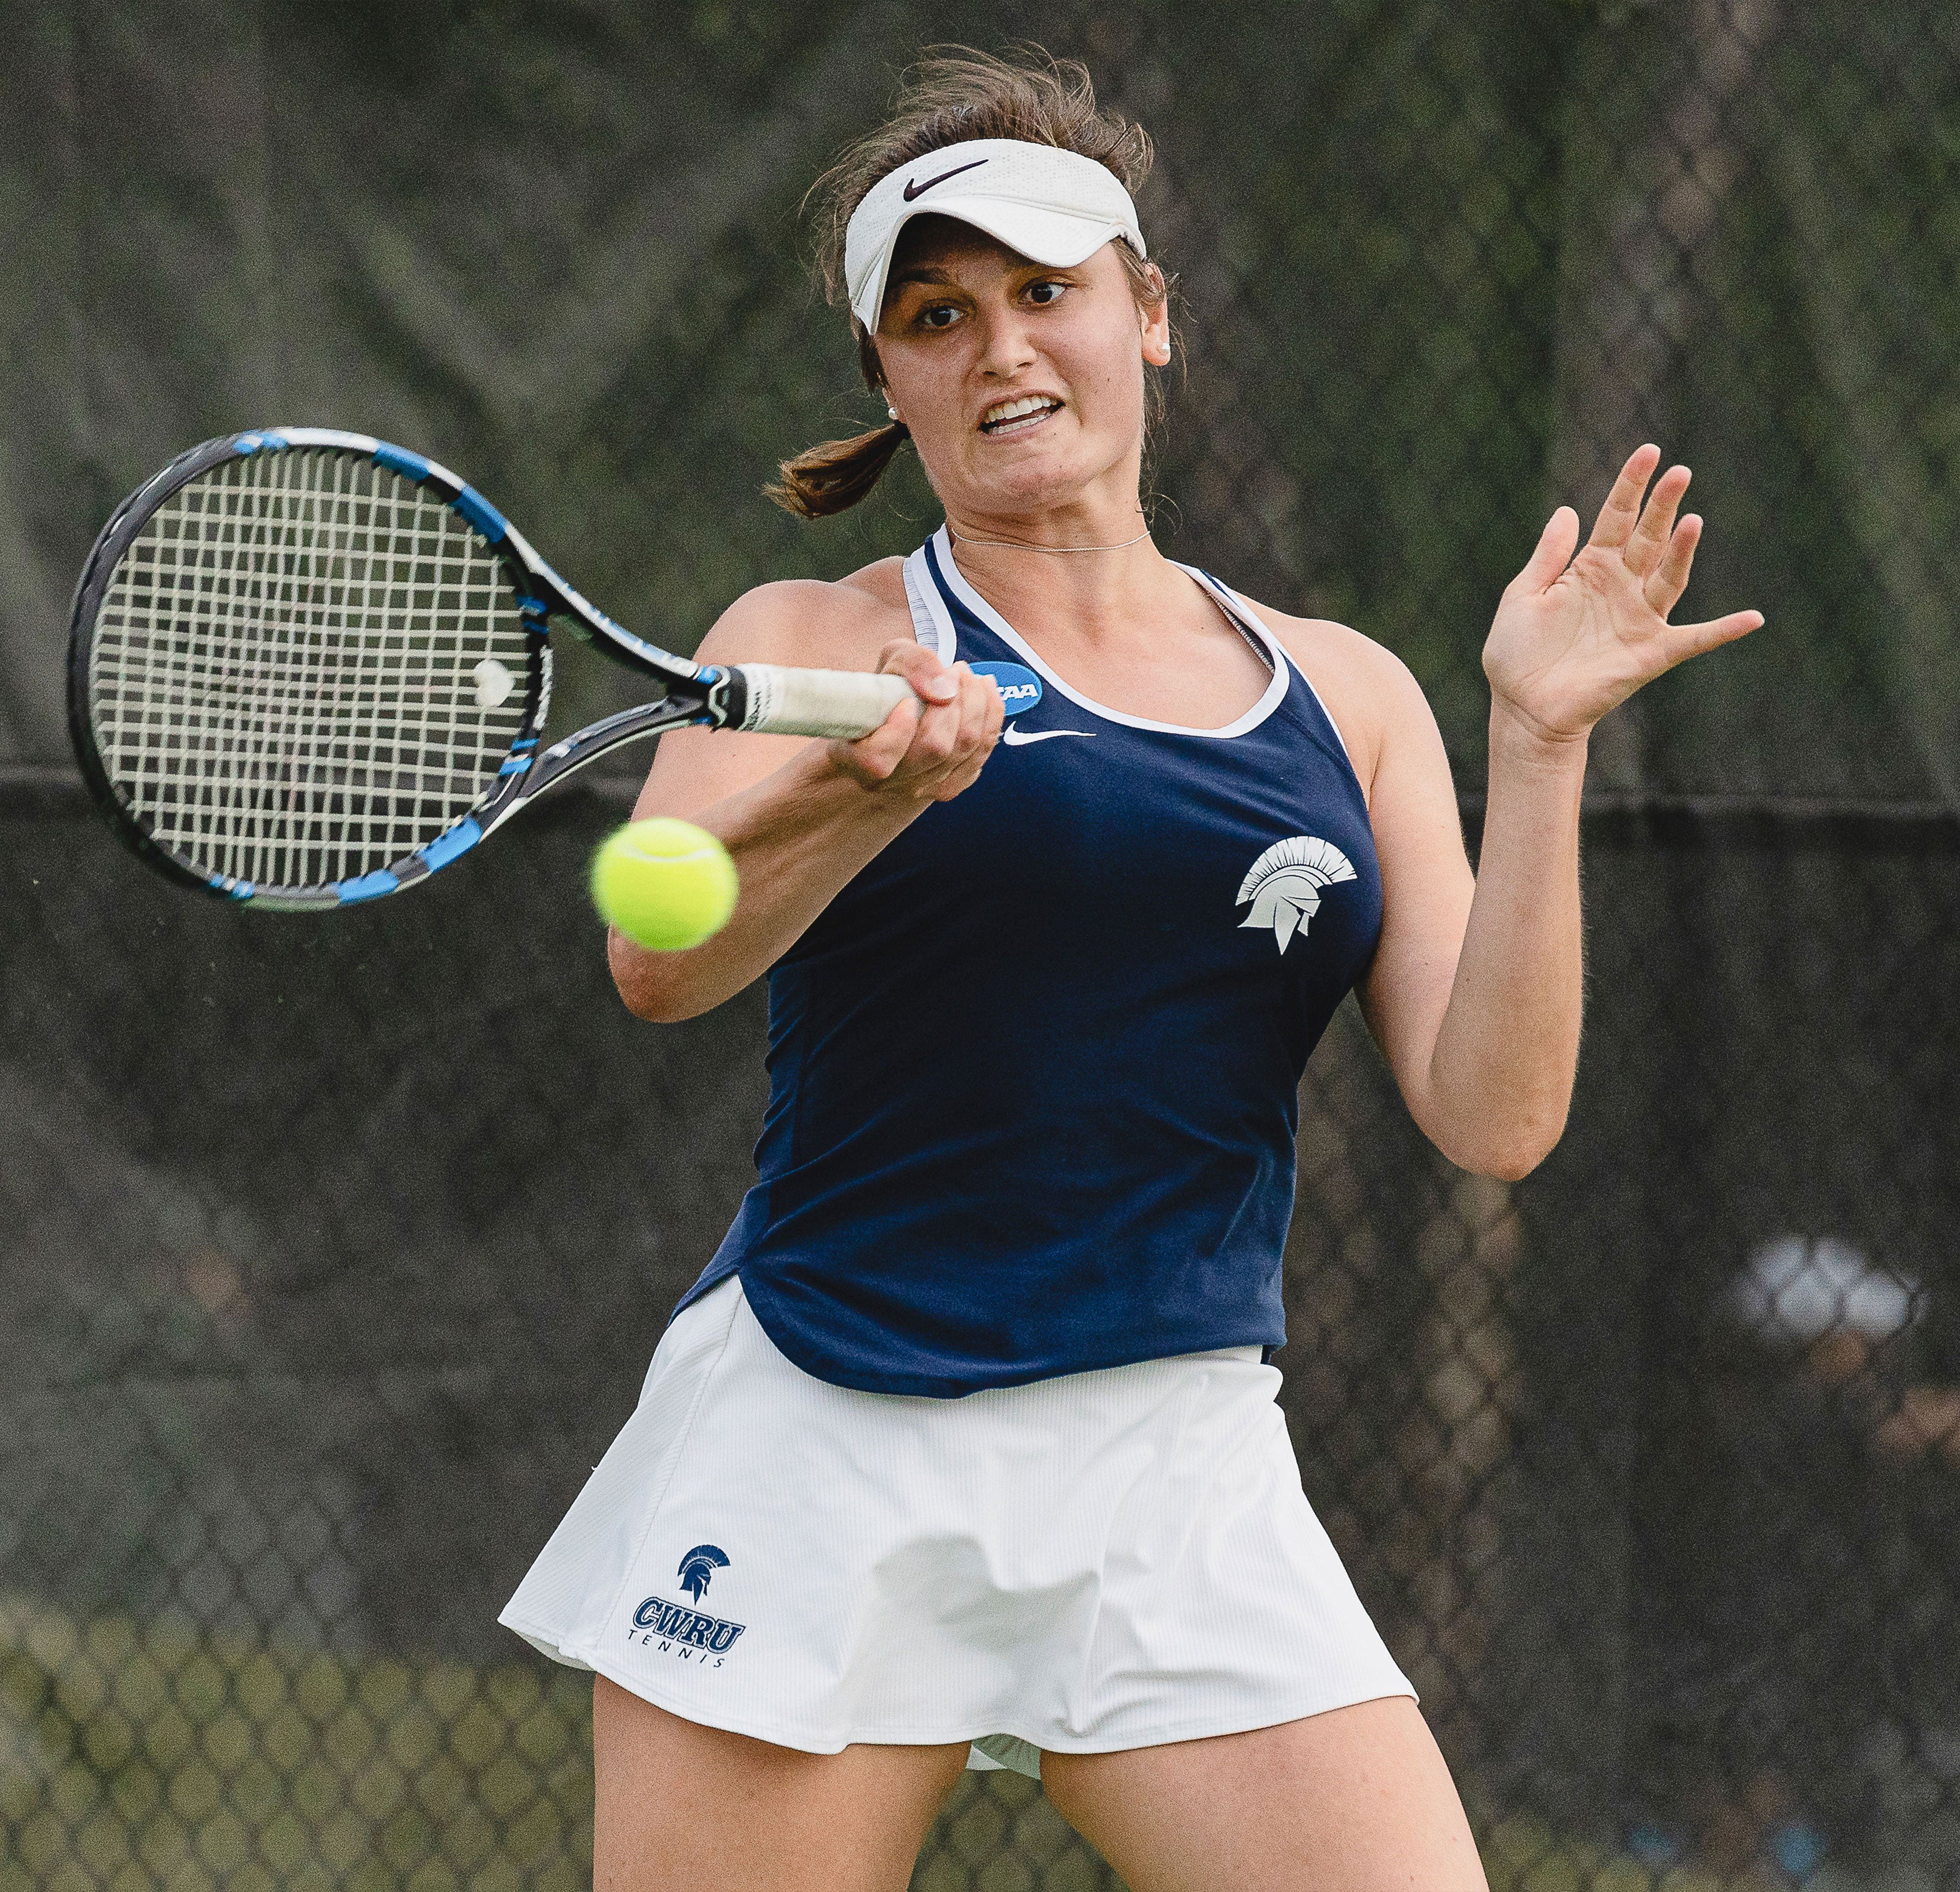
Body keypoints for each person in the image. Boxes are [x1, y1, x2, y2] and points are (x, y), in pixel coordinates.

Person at [498, 48, 1762, 1892]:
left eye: (1042, 291)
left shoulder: (1348, 696)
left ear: (1146, 316)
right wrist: (852, 806)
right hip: (827, 1440)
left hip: (1178, 1469)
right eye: (937, 315)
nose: (1000, 348)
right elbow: (655, 944)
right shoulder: (813, 639)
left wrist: (1541, 744)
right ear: (889, 377)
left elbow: (1492, 1120)